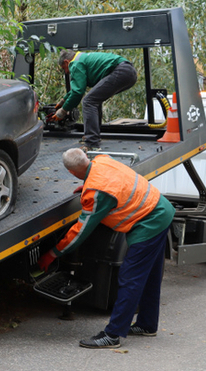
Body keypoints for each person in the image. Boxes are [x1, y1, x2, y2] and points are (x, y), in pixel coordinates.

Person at [37, 148, 175, 349]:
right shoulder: (102, 160)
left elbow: (80, 232)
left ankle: (112, 335)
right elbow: (108, 180)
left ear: (72, 173)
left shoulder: (97, 193)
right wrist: (87, 187)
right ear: (86, 158)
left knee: (130, 279)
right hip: (161, 208)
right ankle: (147, 324)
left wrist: (52, 253)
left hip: (149, 223)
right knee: (151, 276)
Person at [52, 49, 137, 150]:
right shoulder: (82, 58)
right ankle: (94, 136)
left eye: (64, 68)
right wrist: (62, 102)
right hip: (129, 72)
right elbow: (77, 88)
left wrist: (63, 111)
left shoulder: (75, 63)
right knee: (95, 99)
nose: (66, 72)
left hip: (120, 71)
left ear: (66, 62)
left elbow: (78, 92)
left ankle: (92, 142)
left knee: (89, 101)